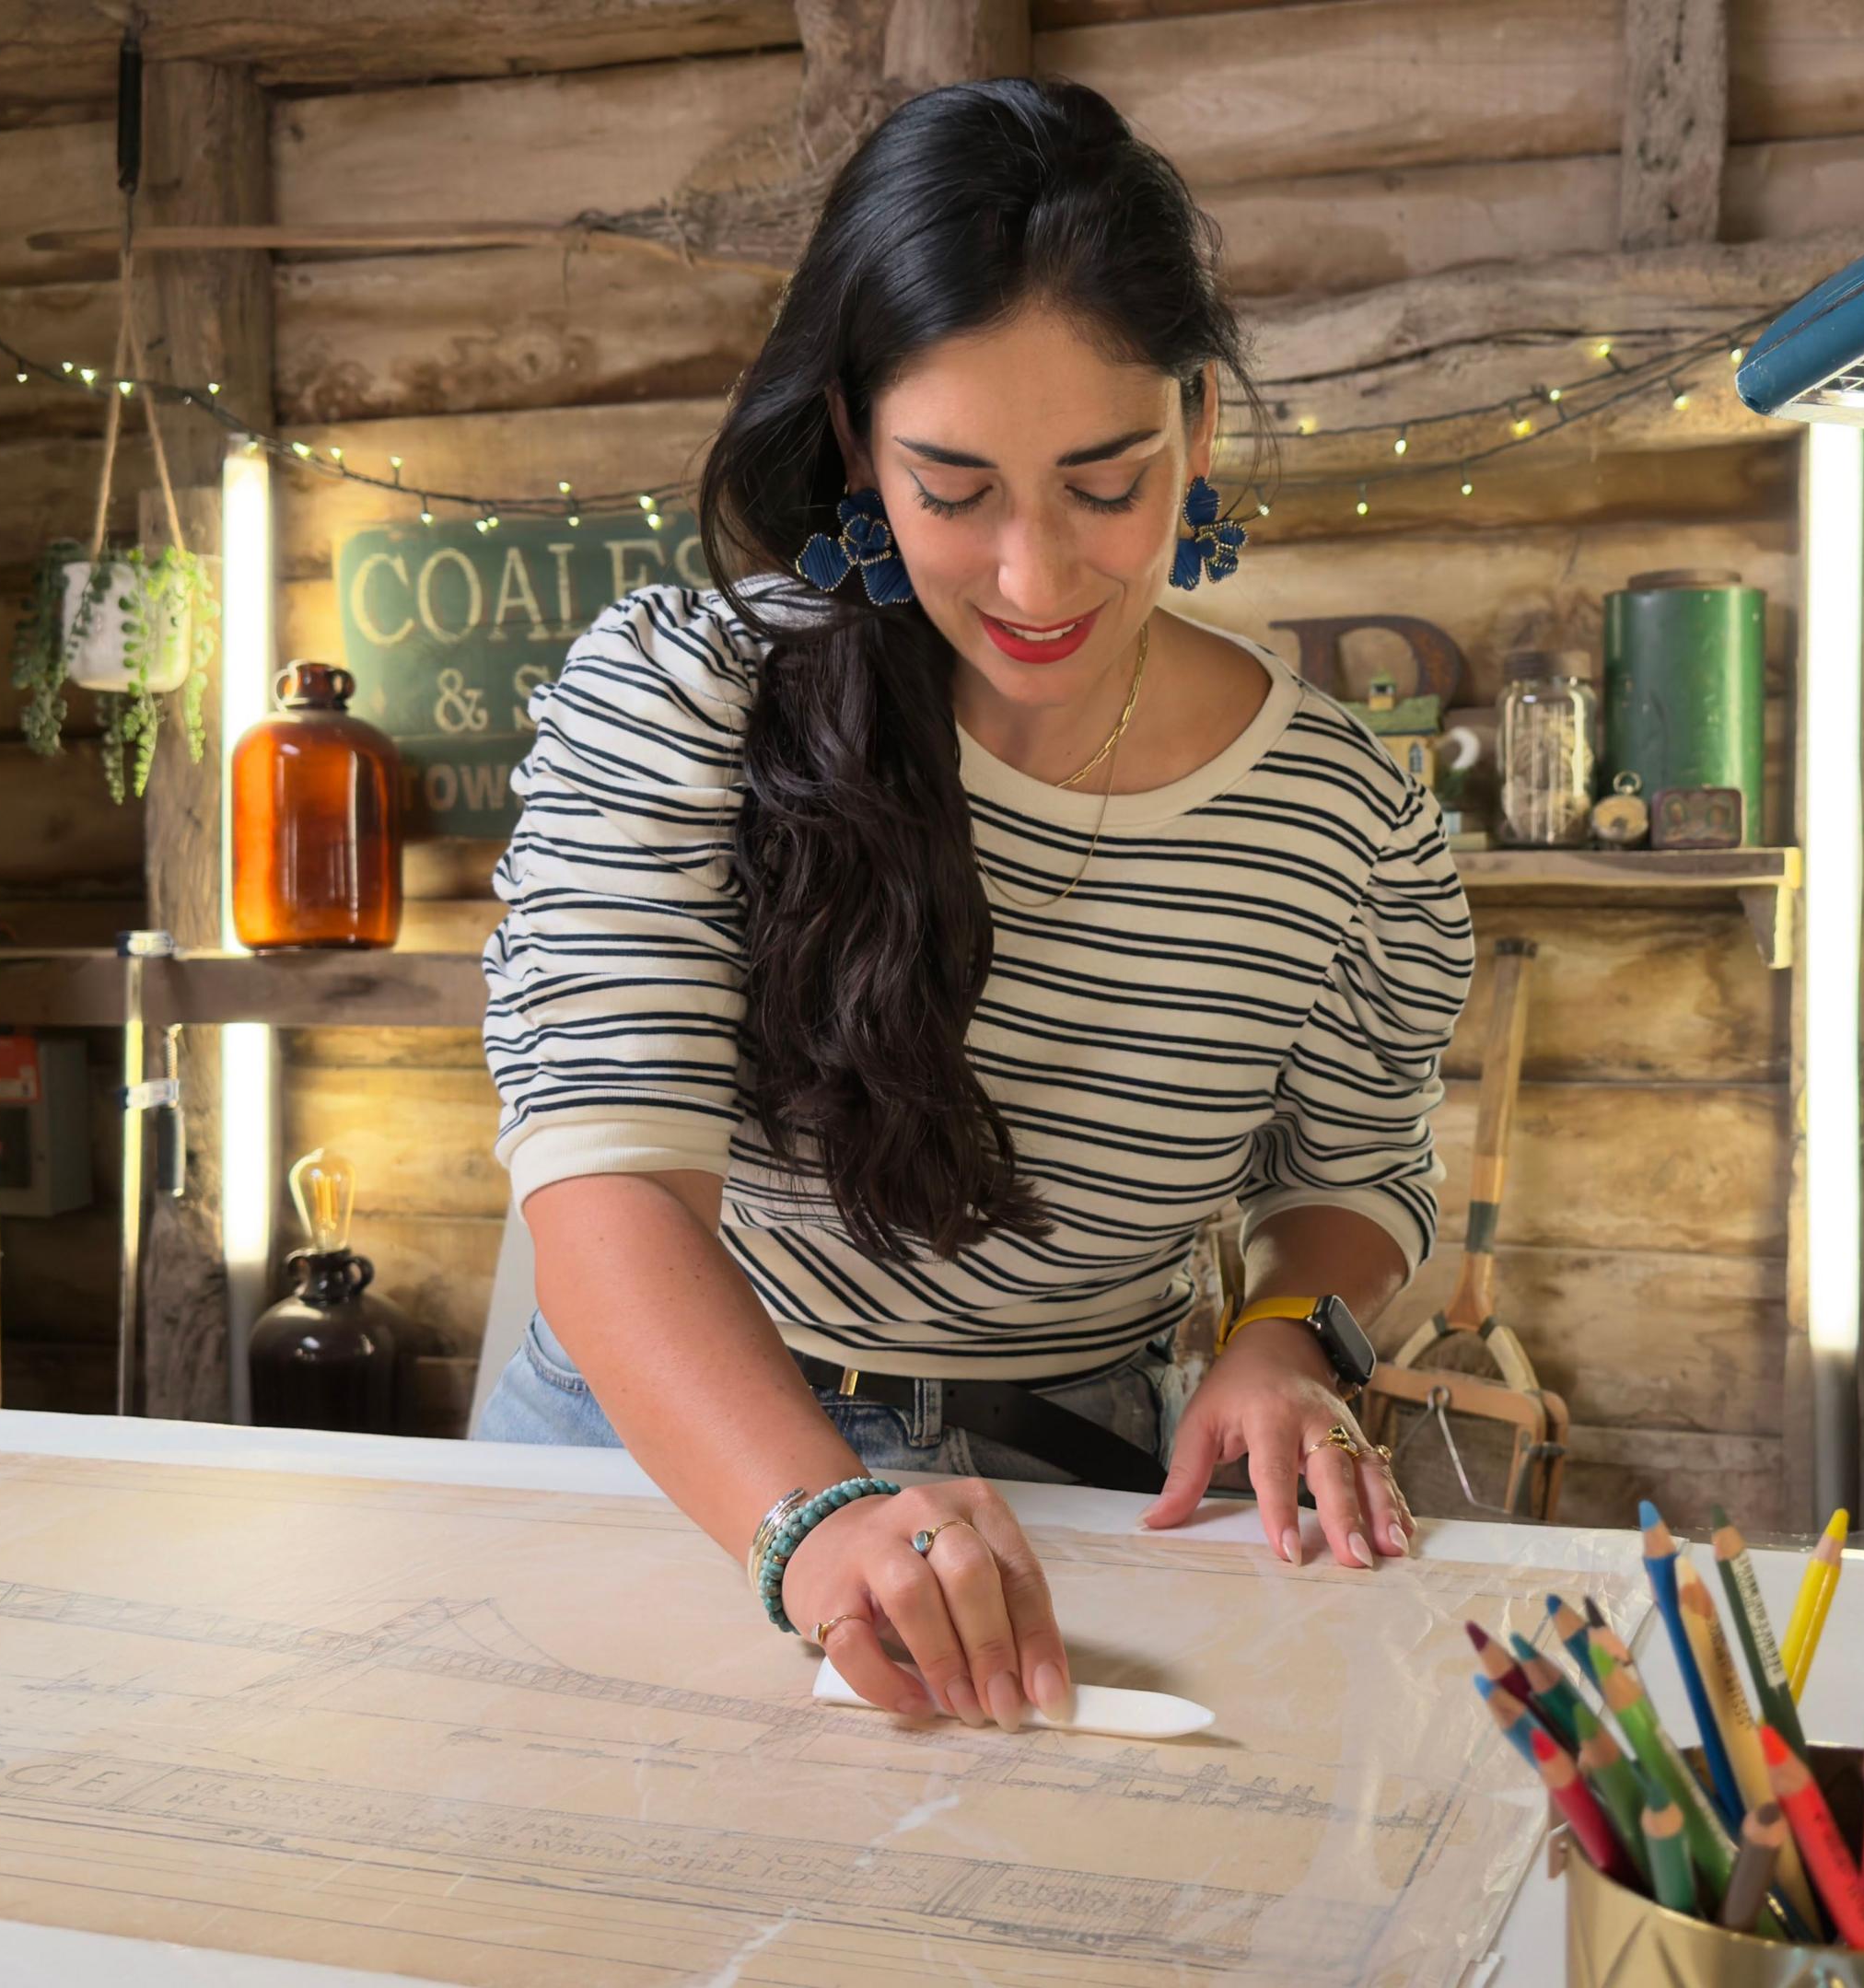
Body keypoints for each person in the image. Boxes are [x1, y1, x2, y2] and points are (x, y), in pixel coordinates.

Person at [471, 76, 1475, 1734]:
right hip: (672, 1469)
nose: (1034, 576)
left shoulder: (1340, 813)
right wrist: (812, 1518)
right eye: (954, 490)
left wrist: (1288, 1332)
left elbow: (1352, 1174)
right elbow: (609, 1180)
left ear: (1199, 428)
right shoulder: (683, 702)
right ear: (857, 441)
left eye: (1106, 483)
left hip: (1090, 1487)